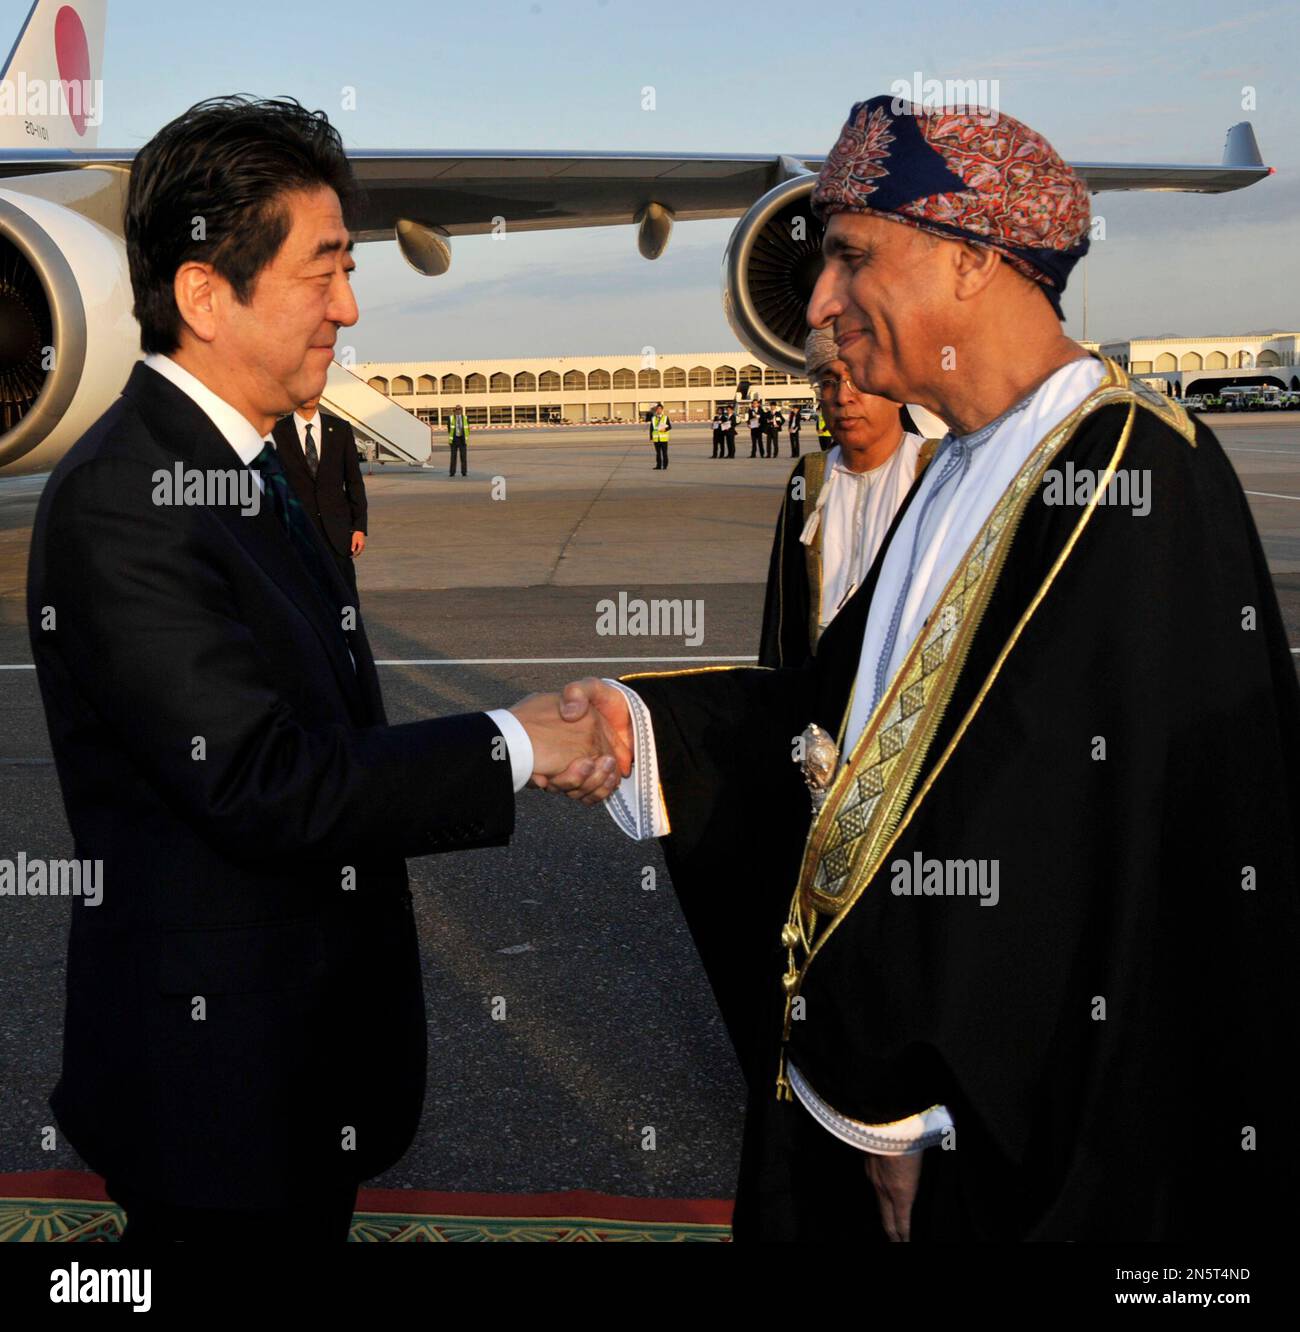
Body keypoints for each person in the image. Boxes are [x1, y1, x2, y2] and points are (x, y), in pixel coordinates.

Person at [553, 95, 1299, 1243]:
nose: (816, 304)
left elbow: (1050, 845)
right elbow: (835, 706)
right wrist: (637, 724)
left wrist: (895, 1096)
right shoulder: (963, 466)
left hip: (1011, 1132)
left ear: (971, 261)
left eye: (851, 257)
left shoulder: (1128, 477)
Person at [25, 95, 626, 1244]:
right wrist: (514, 744)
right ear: (204, 294)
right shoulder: (128, 501)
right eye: (323, 272)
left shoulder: (246, 466)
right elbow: (266, 782)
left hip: (290, 1072)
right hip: (216, 1101)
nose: (350, 308)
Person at [758, 326, 940, 669]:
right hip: (821, 685)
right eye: (829, 381)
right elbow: (785, 609)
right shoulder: (809, 476)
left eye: (858, 377)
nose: (843, 397)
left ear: (897, 388)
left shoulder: (934, 472)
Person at [271, 394, 367, 595]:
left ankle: (347, 627)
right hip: (298, 531)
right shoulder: (277, 432)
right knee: (304, 595)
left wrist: (358, 527)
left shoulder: (340, 429)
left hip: (338, 533)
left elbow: (354, 482)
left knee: (344, 597)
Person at [446, 404, 468, 476]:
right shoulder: (450, 418)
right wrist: (452, 437)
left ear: (461, 410)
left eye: (459, 409)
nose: (458, 411)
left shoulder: (465, 418)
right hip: (454, 440)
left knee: (463, 457)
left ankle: (464, 472)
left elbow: (467, 428)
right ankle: (452, 472)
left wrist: (465, 438)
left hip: (462, 440)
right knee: (453, 457)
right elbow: (449, 429)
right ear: (454, 410)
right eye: (457, 409)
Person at [649, 402, 671, 469]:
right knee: (658, 453)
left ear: (662, 410)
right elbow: (651, 428)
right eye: (657, 409)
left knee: (664, 453)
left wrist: (665, 429)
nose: (658, 410)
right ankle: (658, 466)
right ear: (656, 410)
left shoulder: (666, 418)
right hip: (656, 439)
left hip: (663, 439)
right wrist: (651, 437)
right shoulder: (653, 418)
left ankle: (665, 466)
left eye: (660, 409)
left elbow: (670, 427)